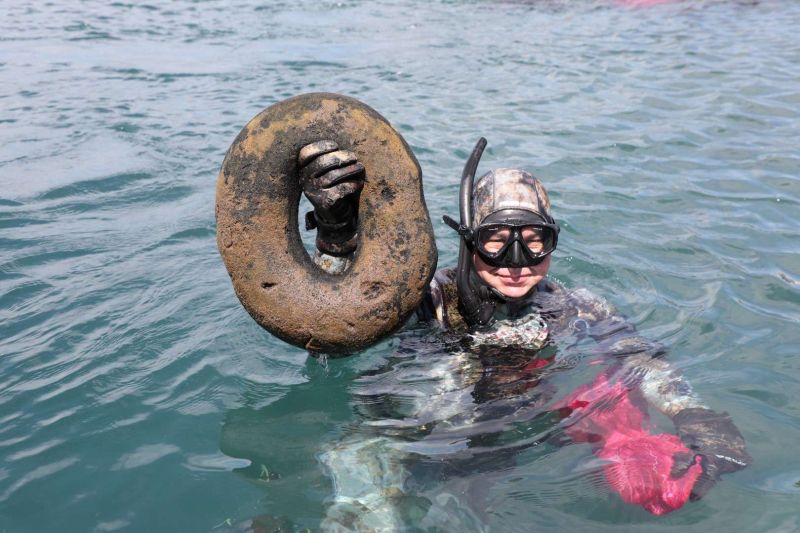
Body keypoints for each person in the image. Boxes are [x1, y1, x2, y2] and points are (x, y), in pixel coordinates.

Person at [297, 138, 750, 528]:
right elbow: (342, 326)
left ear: (554, 244)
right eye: (497, 239)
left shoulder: (576, 305)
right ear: (470, 238)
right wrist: (337, 238)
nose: (517, 260)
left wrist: (695, 414)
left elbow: (638, 359)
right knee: (361, 485)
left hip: (513, 442)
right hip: (407, 436)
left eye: (535, 240)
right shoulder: (429, 297)